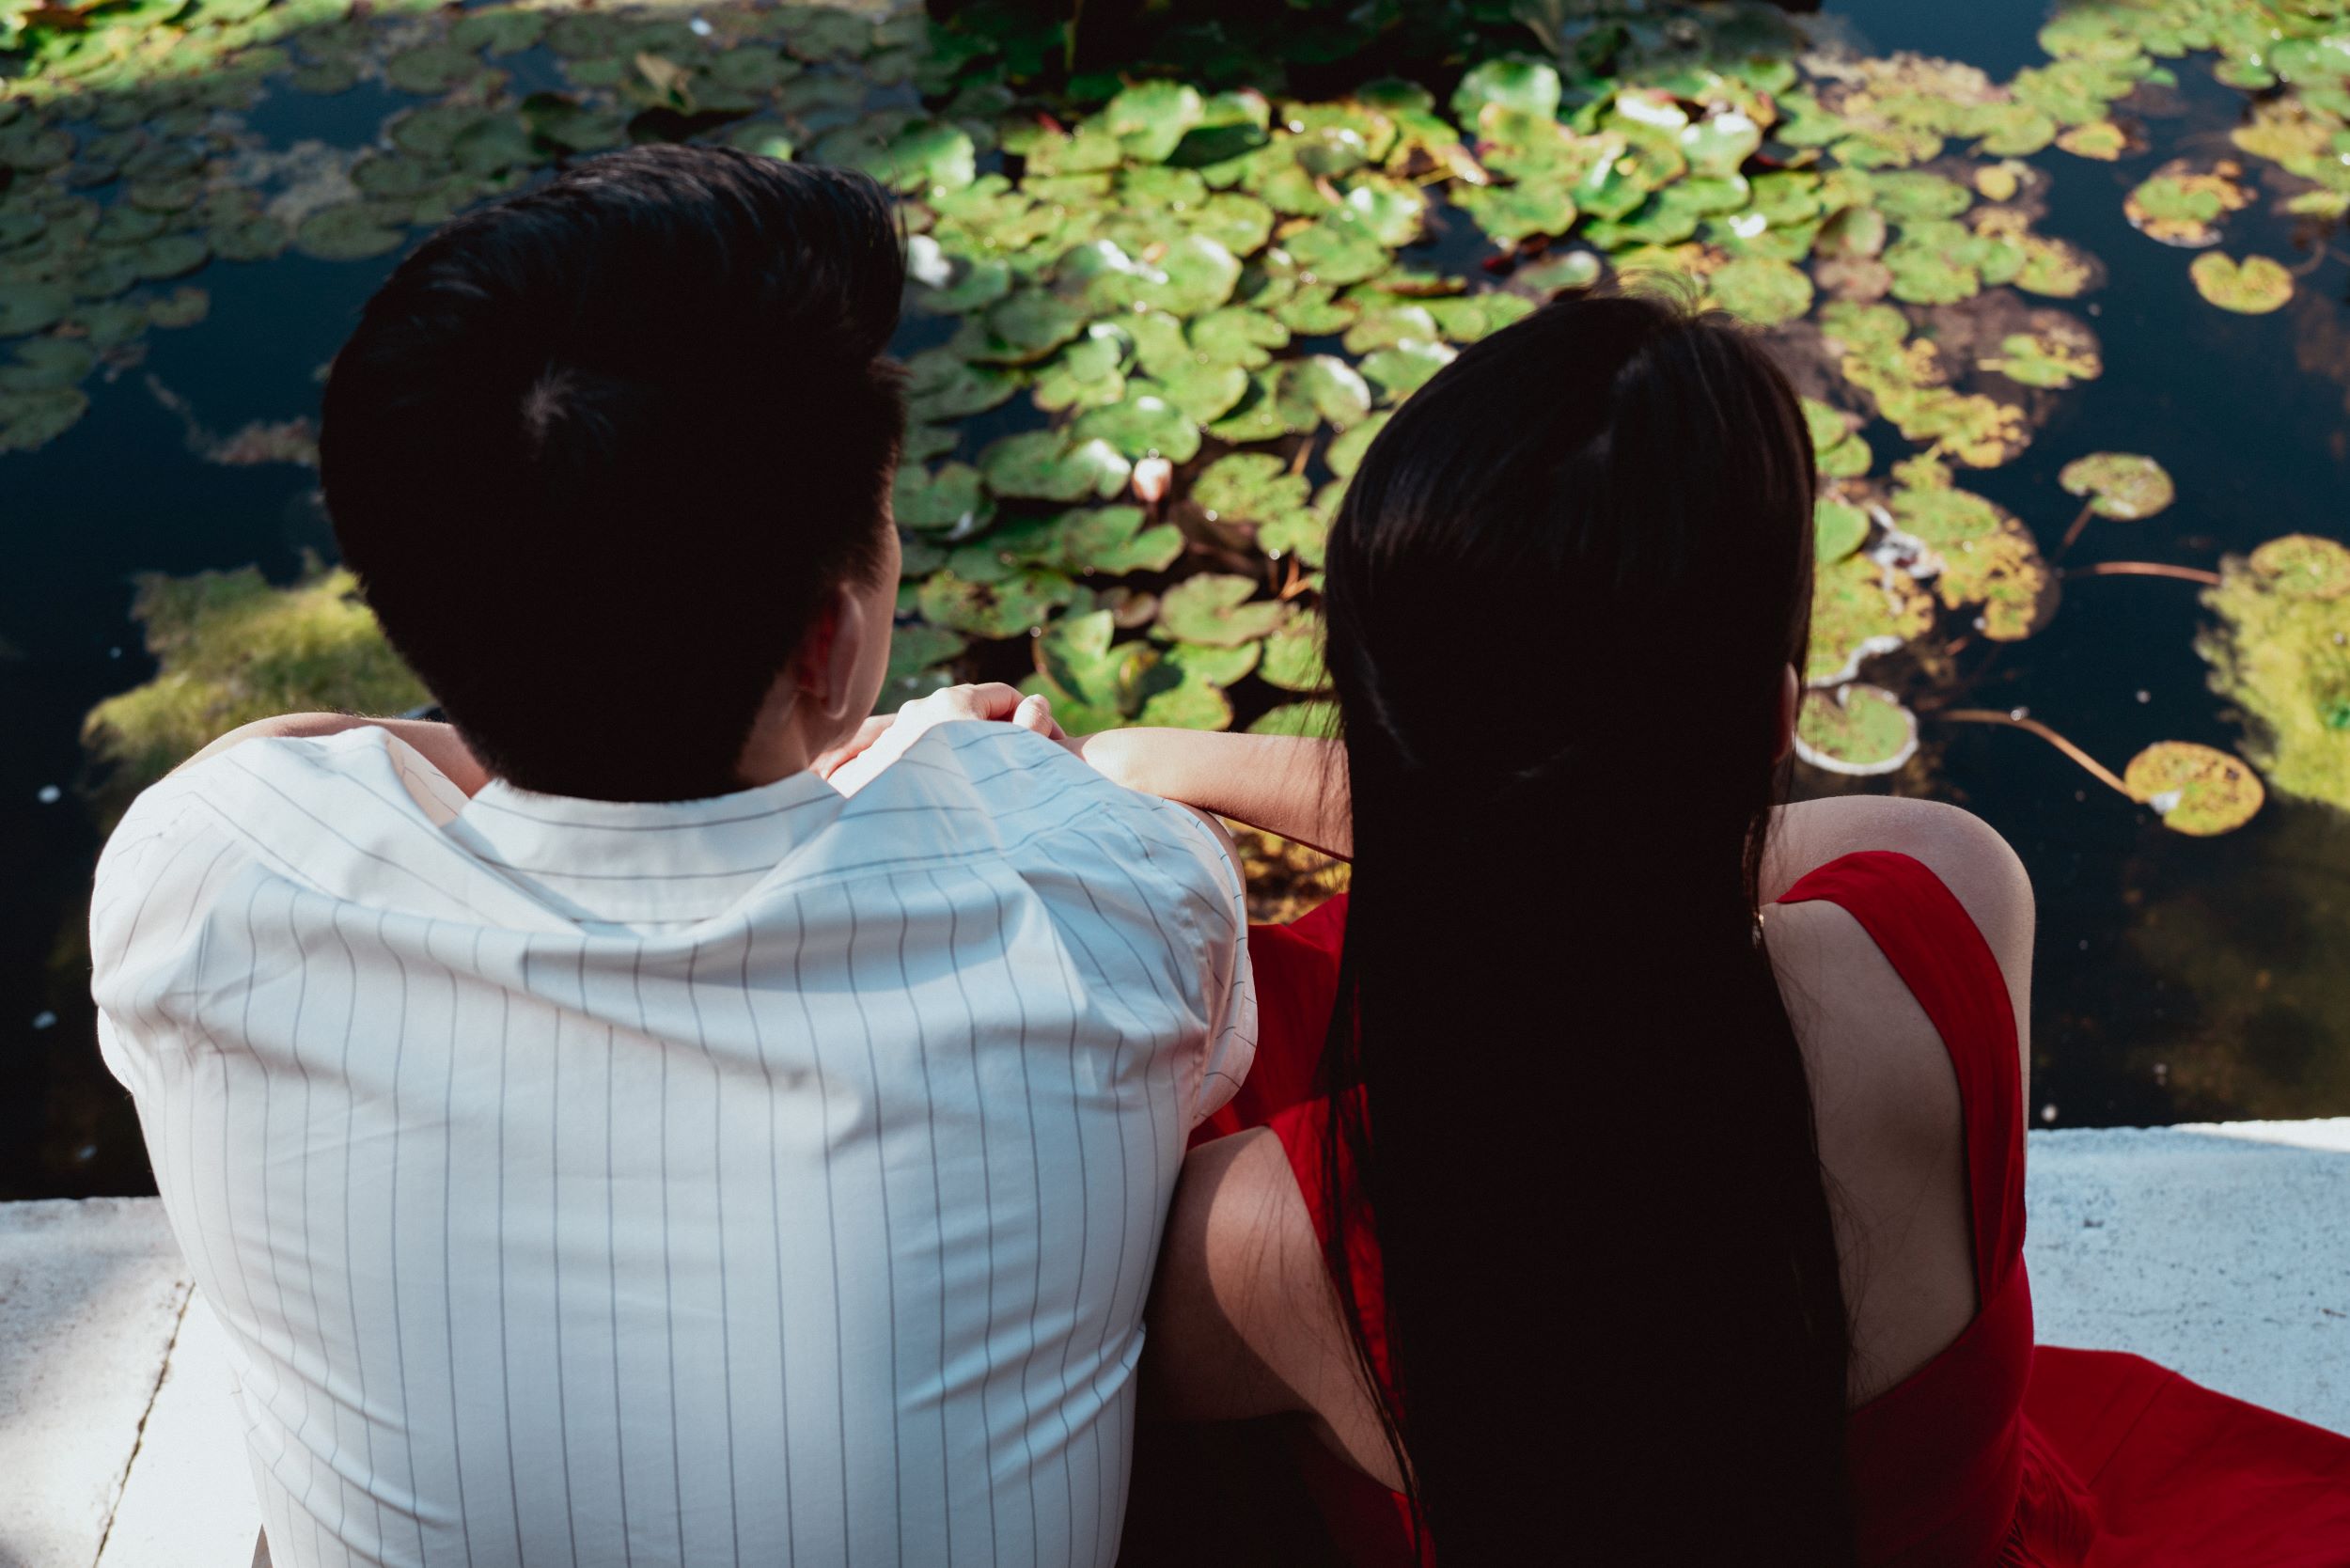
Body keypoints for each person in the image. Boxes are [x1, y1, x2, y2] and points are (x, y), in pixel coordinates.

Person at [87, 145, 1254, 1568]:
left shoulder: (203, 890)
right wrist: (889, 762)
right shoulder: (1091, 889)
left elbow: (267, 762)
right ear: (831, 641)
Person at [1084, 292, 2350, 1564]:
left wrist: (1129, 761)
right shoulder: (1949, 900)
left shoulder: (1273, 1238)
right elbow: (1623, 842)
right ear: (1774, 713)